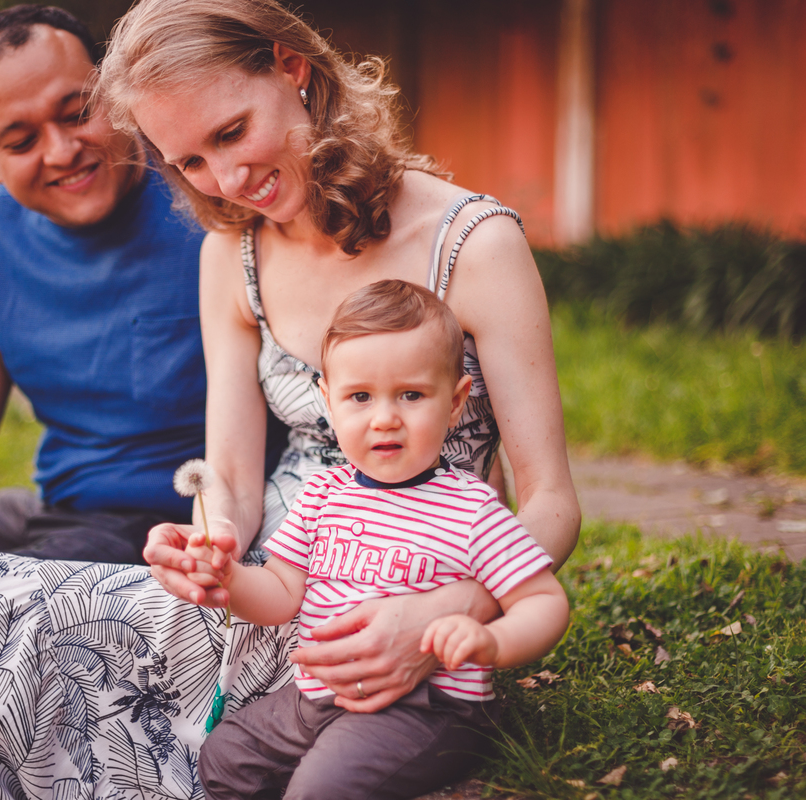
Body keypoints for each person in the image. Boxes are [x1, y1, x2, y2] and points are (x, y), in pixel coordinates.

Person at [0, 1, 581, 797]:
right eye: (189, 162)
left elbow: (549, 504)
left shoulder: (475, 244)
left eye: (232, 132)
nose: (228, 179)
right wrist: (208, 550)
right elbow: (233, 483)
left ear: (293, 69)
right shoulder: (234, 254)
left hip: (392, 614)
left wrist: (440, 615)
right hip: (263, 595)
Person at [182, 280, 570, 799]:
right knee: (223, 758)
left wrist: (493, 642)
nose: (385, 417)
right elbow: (280, 593)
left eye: (411, 395)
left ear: (455, 403)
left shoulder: (471, 509)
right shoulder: (323, 495)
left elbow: (544, 601)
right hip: (315, 697)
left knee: (321, 789)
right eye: (360, 397)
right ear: (328, 401)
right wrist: (229, 577)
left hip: (424, 708)